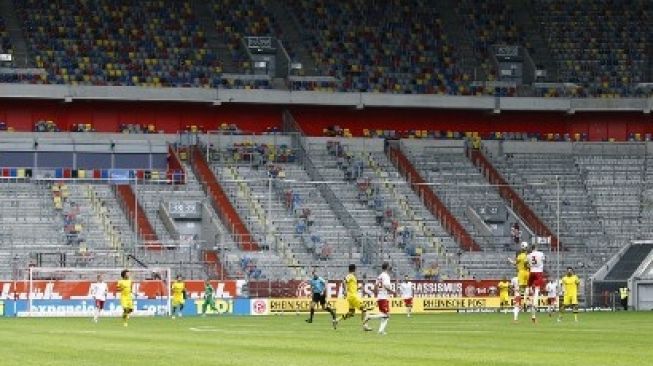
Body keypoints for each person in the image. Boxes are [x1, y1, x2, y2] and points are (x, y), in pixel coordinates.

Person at [363, 262, 395, 335]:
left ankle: (381, 331)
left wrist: (376, 293)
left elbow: (375, 286)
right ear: (387, 267)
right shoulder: (386, 276)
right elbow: (386, 286)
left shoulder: (379, 276)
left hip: (380, 297)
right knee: (386, 315)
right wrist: (393, 292)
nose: (390, 267)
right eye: (389, 266)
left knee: (385, 315)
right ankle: (369, 316)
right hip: (384, 297)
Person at [338, 264, 370, 331]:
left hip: (351, 296)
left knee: (351, 313)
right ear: (354, 269)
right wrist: (345, 291)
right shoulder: (350, 275)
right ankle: (365, 326)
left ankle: (337, 320)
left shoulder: (353, 277)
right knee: (364, 308)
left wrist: (360, 287)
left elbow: (353, 288)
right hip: (353, 296)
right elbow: (344, 281)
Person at [526, 244, 545, 323]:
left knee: (528, 286)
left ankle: (527, 299)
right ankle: (535, 303)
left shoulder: (529, 255)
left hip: (531, 272)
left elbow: (527, 264)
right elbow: (543, 260)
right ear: (536, 248)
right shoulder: (541, 253)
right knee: (537, 289)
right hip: (538, 272)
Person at [508, 242, 530, 308]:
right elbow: (528, 264)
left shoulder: (520, 256)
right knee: (527, 287)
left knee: (520, 289)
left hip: (521, 272)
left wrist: (510, 260)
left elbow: (515, 263)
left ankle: (519, 303)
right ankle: (526, 301)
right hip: (528, 272)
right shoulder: (529, 256)